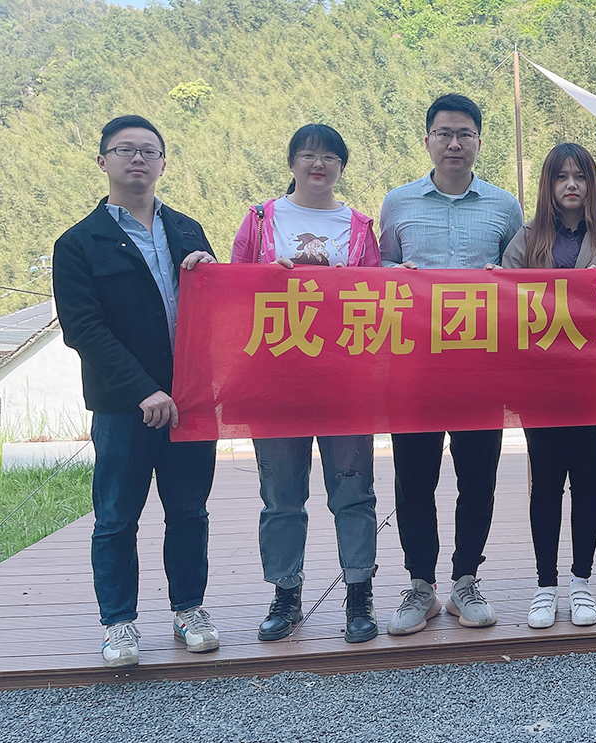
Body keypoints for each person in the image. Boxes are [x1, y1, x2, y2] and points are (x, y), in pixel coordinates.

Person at [53, 115, 219, 668]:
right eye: (125, 150)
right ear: (103, 161)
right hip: (124, 406)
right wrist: (144, 390)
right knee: (116, 517)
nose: (138, 159)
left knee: (189, 511)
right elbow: (84, 329)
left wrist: (211, 274)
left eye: (149, 150)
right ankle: (118, 623)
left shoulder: (189, 231)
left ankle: (189, 610)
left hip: (189, 403)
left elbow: (216, 311)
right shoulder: (79, 242)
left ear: (163, 164)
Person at [230, 124, 381, 643]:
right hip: (274, 382)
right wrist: (266, 276)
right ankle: (285, 596)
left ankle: (359, 596)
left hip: (344, 381)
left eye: (330, 157)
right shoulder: (260, 219)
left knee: (353, 492)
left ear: (341, 166)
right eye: (308, 155)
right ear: (292, 162)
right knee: (281, 497)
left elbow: (378, 300)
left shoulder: (359, 226)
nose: (319, 164)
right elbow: (232, 291)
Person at [380, 93, 523, 634]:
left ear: (479, 142)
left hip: (481, 367)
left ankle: (465, 581)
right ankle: (421, 586)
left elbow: (521, 279)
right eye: (444, 133)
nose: (454, 143)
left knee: (477, 478)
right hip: (413, 367)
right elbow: (378, 270)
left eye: (465, 134)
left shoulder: (504, 207)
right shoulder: (398, 202)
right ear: (427, 141)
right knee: (414, 479)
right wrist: (396, 275)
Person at [501, 142, 596, 629]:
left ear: (592, 184)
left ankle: (582, 581)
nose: (572, 185)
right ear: (549, 185)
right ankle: (545, 585)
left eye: (580, 176)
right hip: (540, 383)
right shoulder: (525, 240)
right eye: (562, 177)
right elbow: (505, 306)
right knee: (545, 482)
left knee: (588, 479)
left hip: (595, 382)